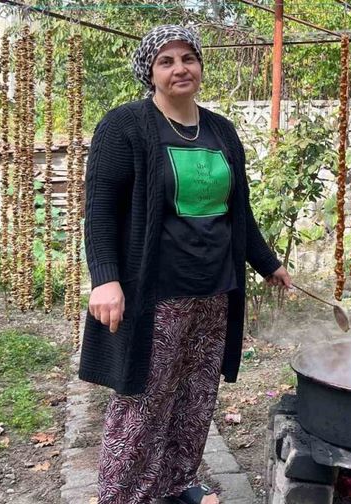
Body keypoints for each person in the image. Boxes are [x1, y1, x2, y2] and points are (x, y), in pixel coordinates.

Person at [80, 25, 291, 504]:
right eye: (166, 61)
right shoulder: (125, 126)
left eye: (188, 58)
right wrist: (105, 280)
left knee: (196, 395)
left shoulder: (221, 130)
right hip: (154, 290)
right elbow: (99, 209)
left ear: (200, 66)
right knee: (144, 399)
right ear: (150, 73)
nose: (180, 69)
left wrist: (266, 263)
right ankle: (124, 495)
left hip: (214, 286)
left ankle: (175, 486)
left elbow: (239, 211)